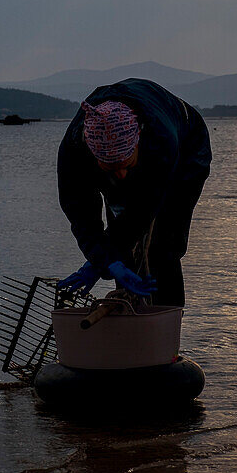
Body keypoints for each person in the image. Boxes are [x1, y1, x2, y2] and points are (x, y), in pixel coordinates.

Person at [56, 78, 211, 307]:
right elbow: (80, 212)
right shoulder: (74, 150)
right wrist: (100, 259)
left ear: (138, 140)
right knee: (121, 251)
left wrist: (98, 263)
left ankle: (165, 318)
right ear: (92, 154)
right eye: (111, 168)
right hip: (128, 157)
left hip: (188, 149)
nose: (121, 176)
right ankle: (131, 311)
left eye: (126, 165)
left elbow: (142, 210)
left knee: (163, 242)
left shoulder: (161, 139)